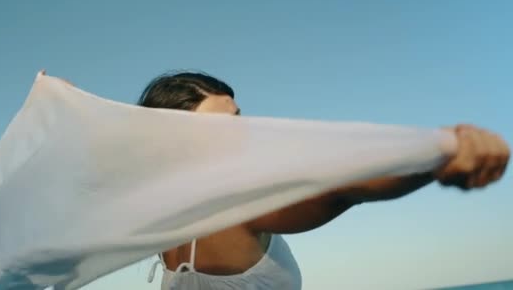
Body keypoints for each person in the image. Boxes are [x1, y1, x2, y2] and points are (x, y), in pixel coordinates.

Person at [137, 71, 510, 290]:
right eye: (222, 129)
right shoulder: (236, 207)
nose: (244, 133)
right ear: (179, 143)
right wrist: (437, 156)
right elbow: (342, 187)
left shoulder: (161, 220)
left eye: (240, 119)